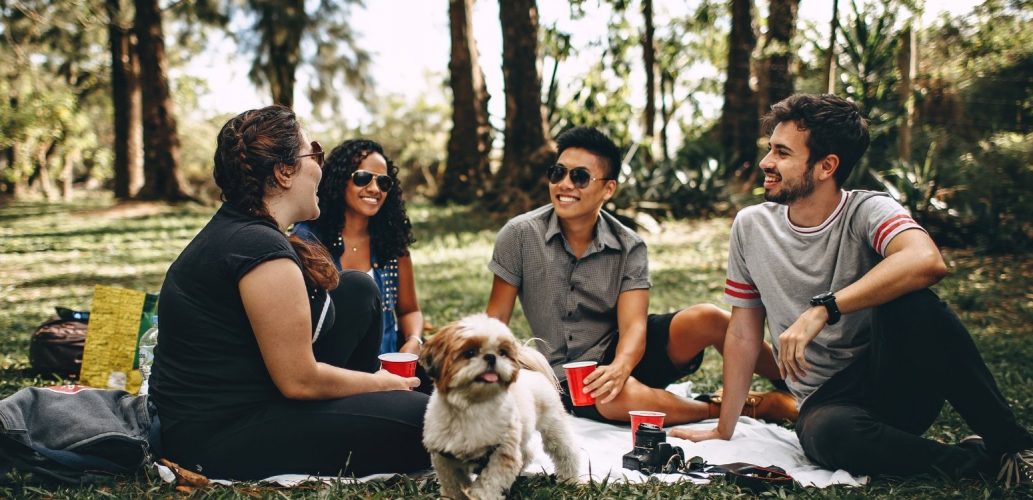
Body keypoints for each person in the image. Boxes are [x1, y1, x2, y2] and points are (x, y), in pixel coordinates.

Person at [672, 94, 1033, 487]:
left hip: (893, 379)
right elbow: (743, 332)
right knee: (829, 435)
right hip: (826, 404)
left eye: (781, 152)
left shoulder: (868, 210)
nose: (766, 162)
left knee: (913, 303)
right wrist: (724, 428)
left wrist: (823, 309)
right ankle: (977, 462)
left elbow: (926, 261)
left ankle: (1012, 446)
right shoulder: (751, 226)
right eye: (769, 149)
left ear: (827, 166)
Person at [149, 105, 430, 480]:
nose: (320, 165)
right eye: (313, 152)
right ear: (284, 172)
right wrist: (383, 382)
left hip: (256, 397)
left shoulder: (247, 231)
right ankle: (377, 406)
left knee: (357, 289)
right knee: (429, 421)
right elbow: (299, 381)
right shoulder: (258, 249)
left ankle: (370, 406)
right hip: (217, 435)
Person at [485, 126, 797, 425]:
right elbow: (495, 319)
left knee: (709, 318)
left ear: (608, 188)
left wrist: (621, 367)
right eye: (558, 173)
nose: (565, 184)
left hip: (625, 351)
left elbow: (634, 326)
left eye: (579, 177)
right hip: (567, 376)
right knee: (613, 398)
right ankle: (739, 407)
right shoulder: (520, 235)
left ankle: (800, 386)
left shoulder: (628, 245)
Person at [293, 139, 423, 357]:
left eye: (383, 182)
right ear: (340, 180)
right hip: (332, 370)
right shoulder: (308, 240)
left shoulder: (391, 242)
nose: (374, 189)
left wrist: (413, 341)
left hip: (389, 369)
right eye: (363, 178)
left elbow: (410, 310)